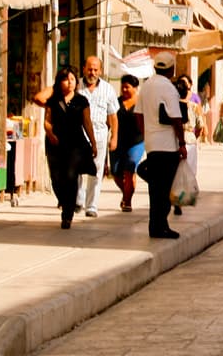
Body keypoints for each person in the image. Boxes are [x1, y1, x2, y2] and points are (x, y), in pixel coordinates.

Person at [35, 68, 95, 230]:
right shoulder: (53, 100)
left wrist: (93, 142)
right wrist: (50, 133)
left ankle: (67, 214)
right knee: (56, 177)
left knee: (71, 176)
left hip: (75, 143)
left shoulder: (81, 100)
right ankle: (64, 199)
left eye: (73, 79)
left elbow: (87, 123)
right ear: (59, 81)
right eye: (66, 79)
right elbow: (47, 121)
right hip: (56, 143)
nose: (70, 82)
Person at [137, 51, 187, 239]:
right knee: (165, 188)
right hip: (167, 146)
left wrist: (146, 134)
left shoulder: (147, 86)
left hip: (152, 145)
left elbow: (138, 114)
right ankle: (161, 226)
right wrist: (181, 143)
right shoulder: (169, 88)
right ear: (172, 68)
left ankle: (155, 225)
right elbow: (176, 118)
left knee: (155, 189)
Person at [75, 55, 117, 218]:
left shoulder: (108, 89)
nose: (92, 72)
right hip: (78, 133)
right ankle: (78, 200)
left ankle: (91, 206)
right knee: (76, 168)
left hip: (99, 134)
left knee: (96, 171)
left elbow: (113, 116)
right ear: (84, 69)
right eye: (89, 69)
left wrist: (114, 137)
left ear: (100, 71)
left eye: (95, 69)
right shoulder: (76, 86)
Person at [110, 74, 144, 212]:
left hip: (136, 142)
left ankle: (127, 201)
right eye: (122, 87)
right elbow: (110, 119)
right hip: (118, 141)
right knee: (116, 172)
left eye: (127, 87)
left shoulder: (141, 103)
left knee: (129, 169)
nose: (124, 89)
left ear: (135, 88)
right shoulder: (115, 103)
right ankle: (126, 193)